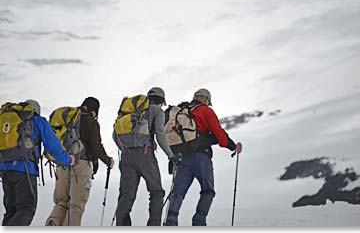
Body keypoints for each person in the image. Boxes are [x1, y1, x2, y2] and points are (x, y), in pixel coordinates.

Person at [164, 88, 243, 226]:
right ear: (206, 100)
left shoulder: (181, 111)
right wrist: (233, 146)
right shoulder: (205, 110)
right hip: (201, 157)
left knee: (177, 192)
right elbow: (219, 134)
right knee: (208, 190)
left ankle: (170, 221)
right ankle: (199, 222)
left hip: (181, 158)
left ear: (195, 97)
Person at [0, 99, 75, 226]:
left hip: (4, 169)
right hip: (25, 169)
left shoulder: (9, 120)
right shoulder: (37, 121)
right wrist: (68, 159)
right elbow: (53, 146)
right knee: (26, 209)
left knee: (11, 211)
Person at [115, 87, 180, 226]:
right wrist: (171, 155)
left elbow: (115, 136)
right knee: (156, 192)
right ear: (161, 101)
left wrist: (127, 148)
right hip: (145, 155)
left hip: (126, 155)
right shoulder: (157, 111)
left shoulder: (131, 112)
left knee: (126, 195)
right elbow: (160, 135)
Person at [45, 97, 114, 226]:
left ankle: (52, 222)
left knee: (61, 202)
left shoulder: (70, 119)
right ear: (94, 110)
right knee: (76, 206)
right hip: (80, 165)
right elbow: (96, 145)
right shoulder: (91, 122)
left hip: (62, 164)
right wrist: (108, 161)